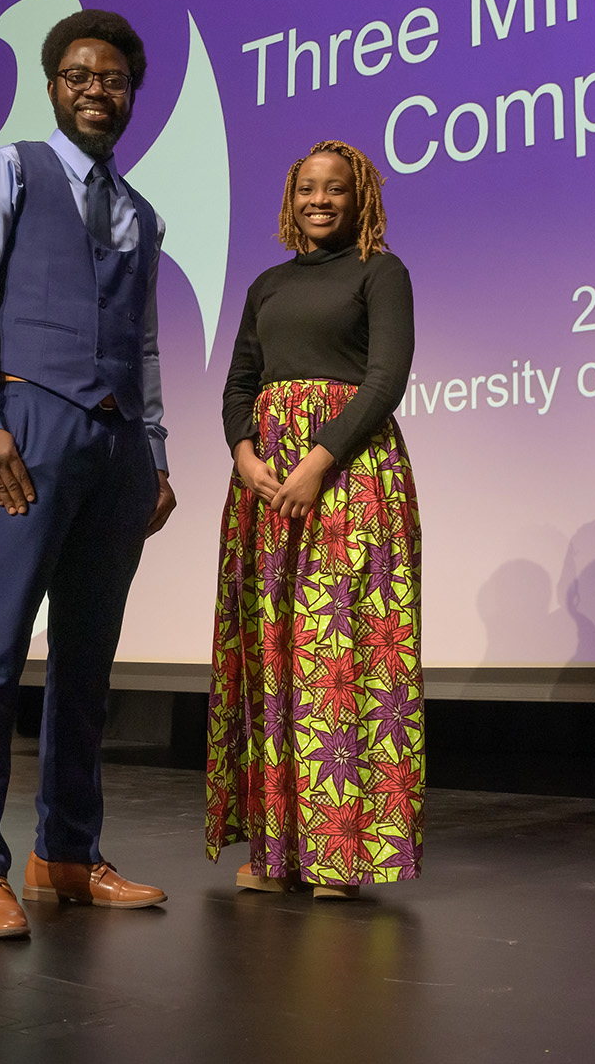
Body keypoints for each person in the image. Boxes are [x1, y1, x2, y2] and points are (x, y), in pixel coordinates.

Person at [0, 9, 176, 939]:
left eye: (111, 78)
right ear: (53, 84)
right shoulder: (8, 167)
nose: (94, 89)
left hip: (115, 450)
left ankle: (67, 852)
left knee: (87, 665)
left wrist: (152, 453)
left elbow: (144, 344)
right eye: (78, 74)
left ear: (129, 95)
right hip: (25, 423)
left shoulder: (142, 212)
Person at [205, 139, 421, 900]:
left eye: (335, 190)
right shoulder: (266, 284)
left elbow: (386, 377)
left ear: (359, 196)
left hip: (349, 478)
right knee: (275, 660)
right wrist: (243, 453)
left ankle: (340, 855)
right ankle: (277, 849)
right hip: (266, 487)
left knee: (339, 660)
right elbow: (238, 381)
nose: (320, 200)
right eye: (306, 191)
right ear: (290, 201)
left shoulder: (380, 271)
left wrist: (318, 459)